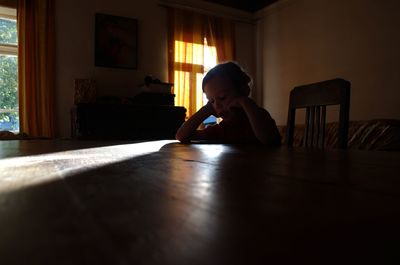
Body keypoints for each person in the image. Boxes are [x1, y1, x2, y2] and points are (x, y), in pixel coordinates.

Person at [175, 61, 281, 145]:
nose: (217, 105)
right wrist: (206, 110)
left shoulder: (260, 117)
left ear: (244, 90)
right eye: (211, 100)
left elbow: (268, 140)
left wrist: (246, 102)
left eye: (222, 97)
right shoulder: (224, 128)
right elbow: (181, 136)